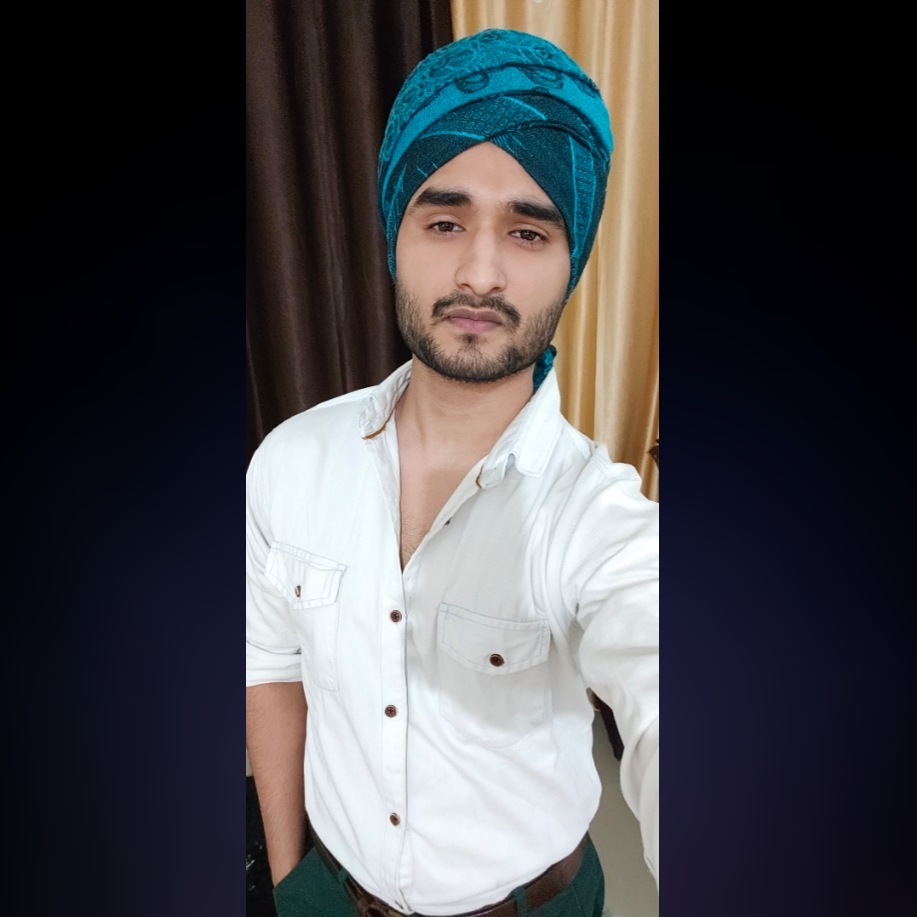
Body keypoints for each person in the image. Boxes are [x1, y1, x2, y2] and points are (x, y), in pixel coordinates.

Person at [246, 27, 658, 917]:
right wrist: (287, 880)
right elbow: (270, 667)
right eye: (444, 221)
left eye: (527, 230)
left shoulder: (593, 515)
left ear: (572, 261)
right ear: (395, 234)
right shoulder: (288, 461)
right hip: (326, 892)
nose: (479, 272)